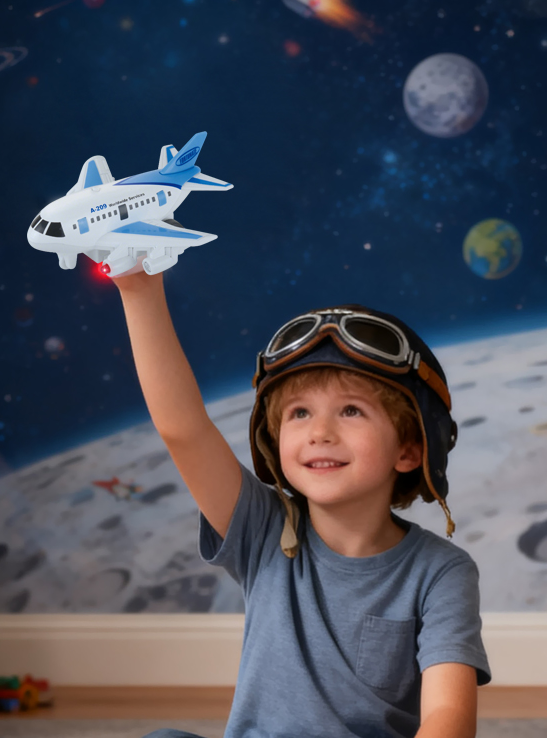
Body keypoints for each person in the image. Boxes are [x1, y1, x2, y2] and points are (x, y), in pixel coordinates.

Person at [110, 263, 491, 738]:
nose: (319, 433)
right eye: (299, 412)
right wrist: (138, 290)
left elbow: (448, 718)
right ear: (274, 439)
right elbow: (182, 429)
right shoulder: (260, 529)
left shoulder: (442, 572)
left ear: (411, 450)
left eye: (351, 410)